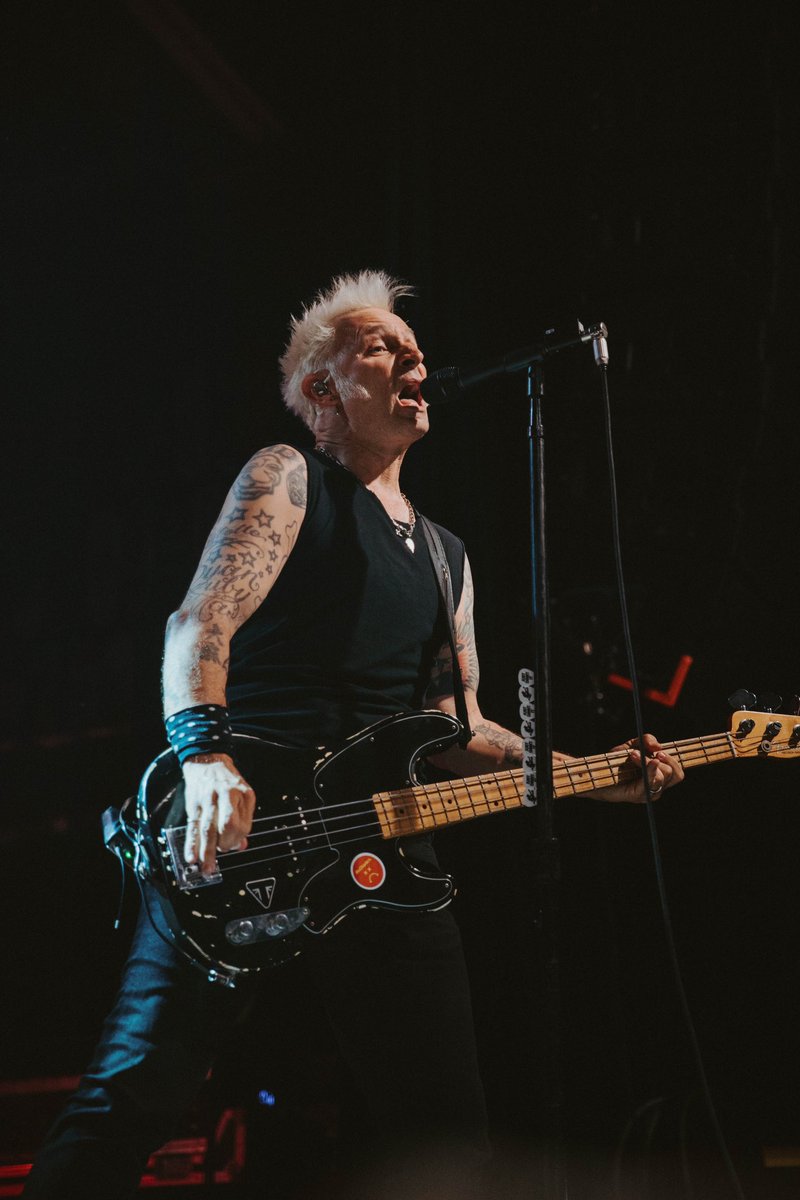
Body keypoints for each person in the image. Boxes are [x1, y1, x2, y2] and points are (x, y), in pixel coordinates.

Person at [23, 271, 684, 1199]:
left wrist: (590, 773)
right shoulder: (289, 477)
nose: (414, 356)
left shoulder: (448, 555)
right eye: (381, 346)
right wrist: (203, 753)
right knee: (129, 1101)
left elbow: (461, 729)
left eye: (414, 347)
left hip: (384, 857)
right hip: (243, 835)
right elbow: (198, 623)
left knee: (450, 1137)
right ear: (322, 391)